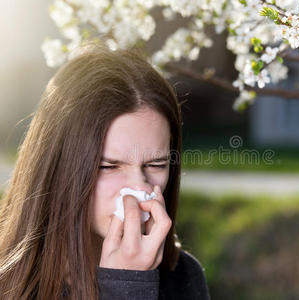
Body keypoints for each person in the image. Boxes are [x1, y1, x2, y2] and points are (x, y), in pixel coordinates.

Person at [0, 44, 210, 299]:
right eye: (109, 166)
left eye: (156, 165)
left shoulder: (182, 276)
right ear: (58, 167)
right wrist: (128, 286)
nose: (140, 187)